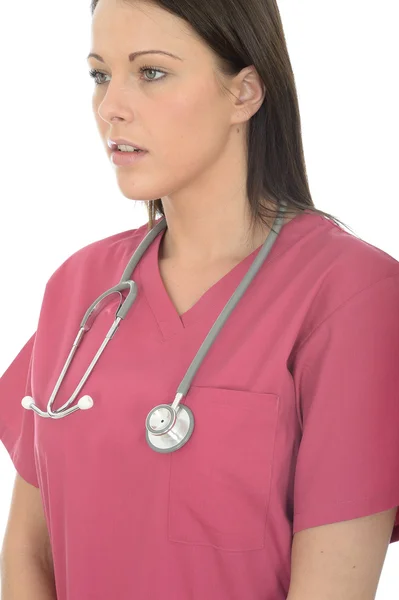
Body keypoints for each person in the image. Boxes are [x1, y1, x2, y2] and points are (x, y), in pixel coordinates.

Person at [1, 0, 399, 599]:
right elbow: (29, 556)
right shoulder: (80, 289)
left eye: (151, 72)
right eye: (100, 74)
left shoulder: (351, 296)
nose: (111, 107)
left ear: (243, 94)